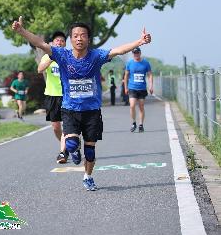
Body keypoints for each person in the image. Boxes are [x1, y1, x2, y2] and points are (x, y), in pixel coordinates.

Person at [12, 17, 151, 191]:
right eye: (75, 35)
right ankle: (74, 148)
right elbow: (40, 43)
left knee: (91, 151)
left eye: (83, 35)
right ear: (71, 39)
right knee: (70, 144)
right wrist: (21, 31)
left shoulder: (96, 56)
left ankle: (88, 177)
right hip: (70, 109)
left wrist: (140, 41)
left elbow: (118, 50)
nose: (79, 38)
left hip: (92, 111)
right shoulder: (62, 55)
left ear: (88, 39)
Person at [38, 31, 69, 164]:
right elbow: (40, 69)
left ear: (65, 43)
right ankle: (68, 145)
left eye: (62, 40)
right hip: (51, 95)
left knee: (68, 125)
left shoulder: (69, 56)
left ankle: (63, 152)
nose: (59, 42)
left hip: (67, 95)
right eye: (57, 40)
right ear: (52, 43)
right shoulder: (47, 56)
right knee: (56, 127)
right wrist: (52, 58)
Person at [124, 47, 153, 133]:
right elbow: (126, 76)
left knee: (141, 106)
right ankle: (133, 123)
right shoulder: (129, 63)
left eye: (137, 53)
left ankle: (141, 125)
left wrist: (151, 86)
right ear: (133, 54)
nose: (136, 54)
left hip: (142, 88)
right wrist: (125, 87)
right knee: (132, 105)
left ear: (140, 53)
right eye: (134, 53)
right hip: (132, 87)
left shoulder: (146, 63)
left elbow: (150, 75)